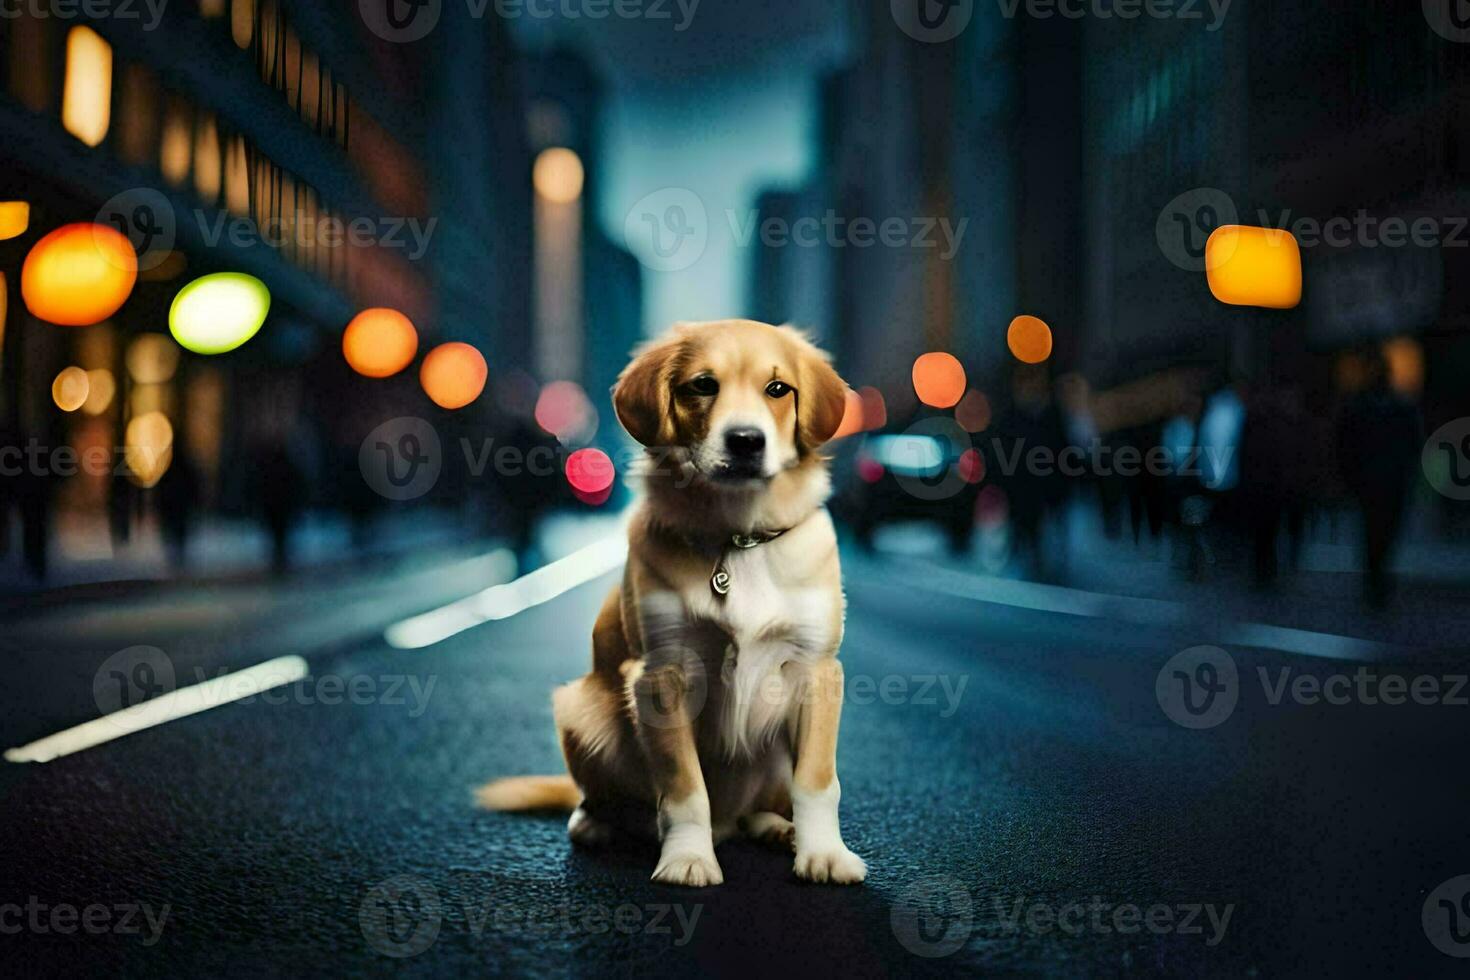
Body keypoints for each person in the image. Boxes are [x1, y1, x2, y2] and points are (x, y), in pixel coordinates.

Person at [1334, 353, 1421, 607]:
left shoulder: (1395, 408)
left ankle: (1377, 577)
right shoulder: (1364, 407)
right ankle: (1375, 578)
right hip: (1373, 481)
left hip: (1387, 480)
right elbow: (1345, 445)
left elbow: (1412, 444)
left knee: (1384, 532)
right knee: (1374, 532)